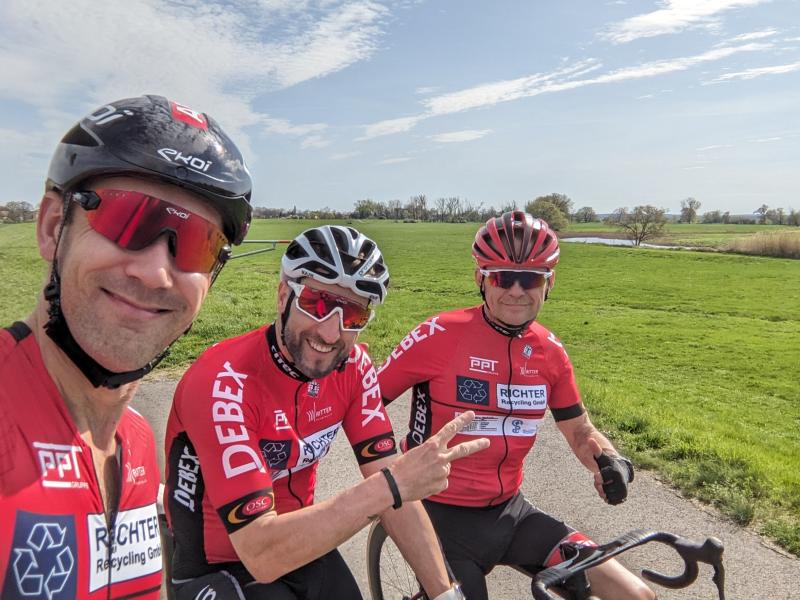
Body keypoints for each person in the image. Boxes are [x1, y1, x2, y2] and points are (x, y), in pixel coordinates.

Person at [0, 95, 253, 599]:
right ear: (52, 228)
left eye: (196, 243)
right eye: (127, 219)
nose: (156, 272)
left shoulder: (135, 441)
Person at [164, 224, 487, 600]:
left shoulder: (354, 367)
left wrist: (446, 594)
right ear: (283, 295)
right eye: (316, 304)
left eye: (353, 315)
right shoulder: (223, 382)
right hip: (218, 565)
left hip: (304, 543)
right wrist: (393, 486)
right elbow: (262, 553)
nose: (331, 333)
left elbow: (396, 493)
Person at [378, 211, 656, 600]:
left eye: (530, 279)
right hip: (437, 515)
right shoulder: (437, 335)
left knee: (635, 595)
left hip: (511, 514)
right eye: (502, 277)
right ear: (480, 279)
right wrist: (391, 476)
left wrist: (611, 462)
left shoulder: (550, 352)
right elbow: (365, 406)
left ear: (549, 283)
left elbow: (580, 430)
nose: (516, 291)